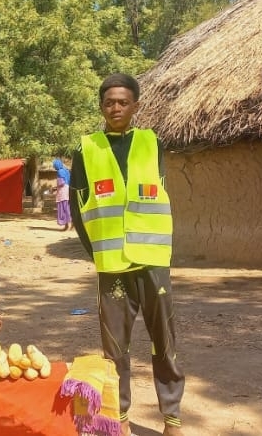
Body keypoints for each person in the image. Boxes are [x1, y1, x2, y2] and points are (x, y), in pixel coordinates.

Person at [69, 73, 185, 436]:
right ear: (101, 107)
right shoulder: (86, 149)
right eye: (109, 102)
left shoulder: (152, 143)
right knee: (115, 348)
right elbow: (78, 209)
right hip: (112, 265)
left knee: (164, 341)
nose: (115, 108)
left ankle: (172, 418)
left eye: (122, 102)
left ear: (135, 105)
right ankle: (118, 418)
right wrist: (96, 253)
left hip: (152, 262)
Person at [52, 158, 72, 231]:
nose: (54, 167)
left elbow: (61, 183)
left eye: (54, 165)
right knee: (67, 207)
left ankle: (68, 226)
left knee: (64, 207)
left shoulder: (60, 171)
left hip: (63, 190)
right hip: (67, 189)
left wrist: (54, 188)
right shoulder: (66, 170)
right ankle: (68, 225)